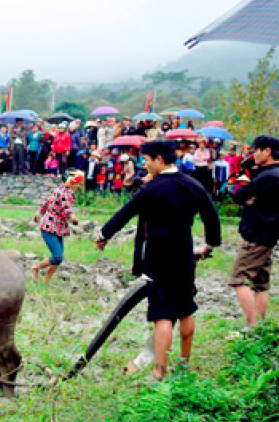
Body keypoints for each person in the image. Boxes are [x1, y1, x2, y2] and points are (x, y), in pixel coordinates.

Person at [95, 140, 221, 382]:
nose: (145, 164)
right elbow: (211, 217)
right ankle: (183, 366)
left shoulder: (152, 189)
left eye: (147, 159)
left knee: (162, 314)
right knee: (185, 309)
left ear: (160, 160)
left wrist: (104, 234)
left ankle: (159, 371)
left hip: (158, 257)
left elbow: (125, 213)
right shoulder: (193, 185)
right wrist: (210, 244)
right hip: (184, 256)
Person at [229, 135, 279, 328]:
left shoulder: (266, 176)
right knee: (261, 282)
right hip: (270, 235)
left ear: (267, 151)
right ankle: (262, 325)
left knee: (238, 279)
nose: (253, 154)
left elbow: (239, 195)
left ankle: (252, 325)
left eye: (256, 150)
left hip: (255, 234)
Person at [31, 171, 84, 282]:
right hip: (50, 227)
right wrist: (73, 219)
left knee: (58, 258)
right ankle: (36, 268)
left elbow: (46, 204)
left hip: (58, 228)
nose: (78, 186)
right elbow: (66, 210)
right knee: (57, 256)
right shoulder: (64, 193)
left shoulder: (59, 190)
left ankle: (46, 281)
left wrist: (38, 215)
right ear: (72, 183)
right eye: (77, 184)